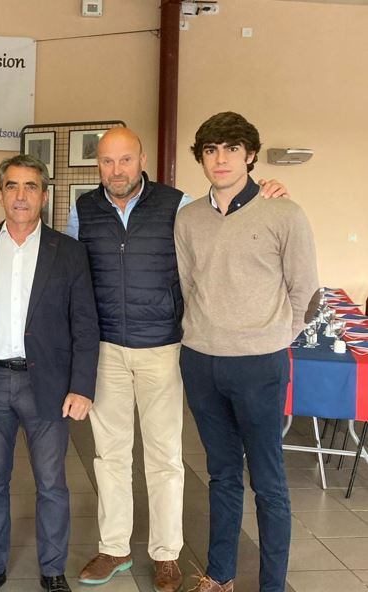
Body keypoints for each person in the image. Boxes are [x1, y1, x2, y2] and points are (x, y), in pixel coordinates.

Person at [67, 127, 288, 592]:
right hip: (106, 349)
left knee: (165, 455)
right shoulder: (82, 209)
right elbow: (72, 273)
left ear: (141, 158)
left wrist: (266, 190)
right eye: (107, 162)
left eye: (125, 159)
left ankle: (166, 553)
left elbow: (223, 217)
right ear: (98, 166)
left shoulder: (178, 204)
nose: (116, 170)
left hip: (164, 346)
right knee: (110, 455)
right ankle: (115, 547)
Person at [175, 112, 318, 592]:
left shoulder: (285, 213)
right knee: (221, 474)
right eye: (211, 150)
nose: (221, 159)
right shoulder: (189, 217)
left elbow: (304, 290)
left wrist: (274, 336)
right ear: (202, 158)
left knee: (269, 482)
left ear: (250, 155)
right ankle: (220, 576)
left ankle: (272, 585)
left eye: (231, 149)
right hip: (200, 359)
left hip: (260, 363)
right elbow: (187, 284)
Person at [0, 155, 100, 592]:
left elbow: (85, 323)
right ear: (1, 192)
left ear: (44, 195)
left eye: (30, 187)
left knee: (52, 484)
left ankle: (53, 569)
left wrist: (82, 386)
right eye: (12, 186)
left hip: (48, 385)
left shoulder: (70, 251)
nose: (21, 195)